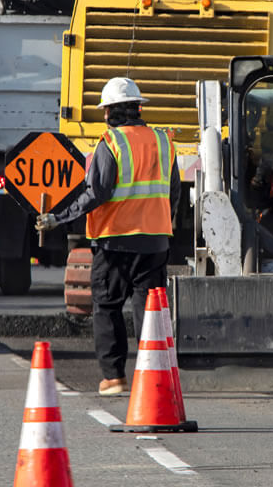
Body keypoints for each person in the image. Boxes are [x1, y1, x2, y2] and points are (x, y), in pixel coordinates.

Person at [35, 77, 180, 396]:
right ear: (139, 108)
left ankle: (114, 377)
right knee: (151, 311)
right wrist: (164, 228)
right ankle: (152, 376)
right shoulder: (164, 141)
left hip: (115, 242)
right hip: (155, 241)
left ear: (111, 112)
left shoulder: (111, 143)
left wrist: (57, 218)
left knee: (107, 306)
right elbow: (174, 194)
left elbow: (96, 193)